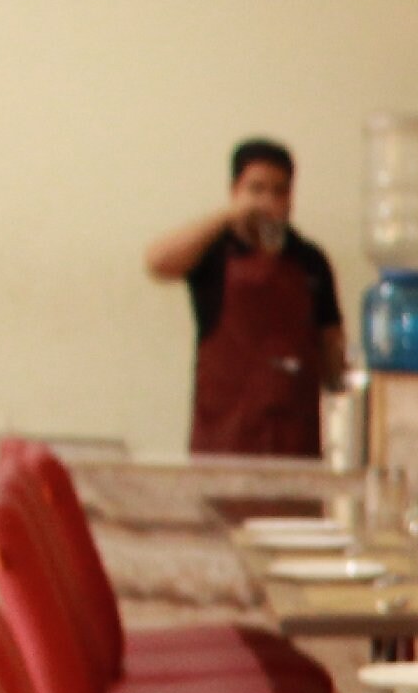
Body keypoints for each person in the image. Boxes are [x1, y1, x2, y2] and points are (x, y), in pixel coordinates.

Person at [142, 138, 347, 456]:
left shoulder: (310, 260)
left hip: (295, 441)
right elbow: (157, 262)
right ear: (235, 191)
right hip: (224, 439)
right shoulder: (213, 253)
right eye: (256, 189)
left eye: (279, 191)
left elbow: (332, 343)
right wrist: (228, 217)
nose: (268, 201)